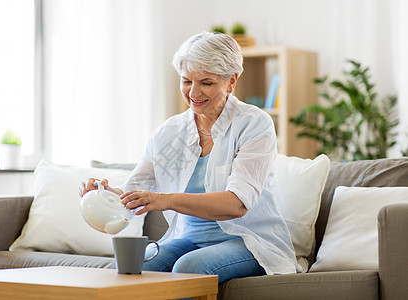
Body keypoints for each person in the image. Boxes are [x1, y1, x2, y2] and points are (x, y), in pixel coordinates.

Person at [79, 31, 299, 283]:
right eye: (186, 81)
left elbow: (237, 204)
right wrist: (103, 194)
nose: (194, 93)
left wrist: (167, 199)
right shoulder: (169, 133)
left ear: (231, 81)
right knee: (132, 264)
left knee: (190, 266)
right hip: (186, 239)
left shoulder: (253, 124)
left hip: (248, 241)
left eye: (206, 82)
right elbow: (135, 193)